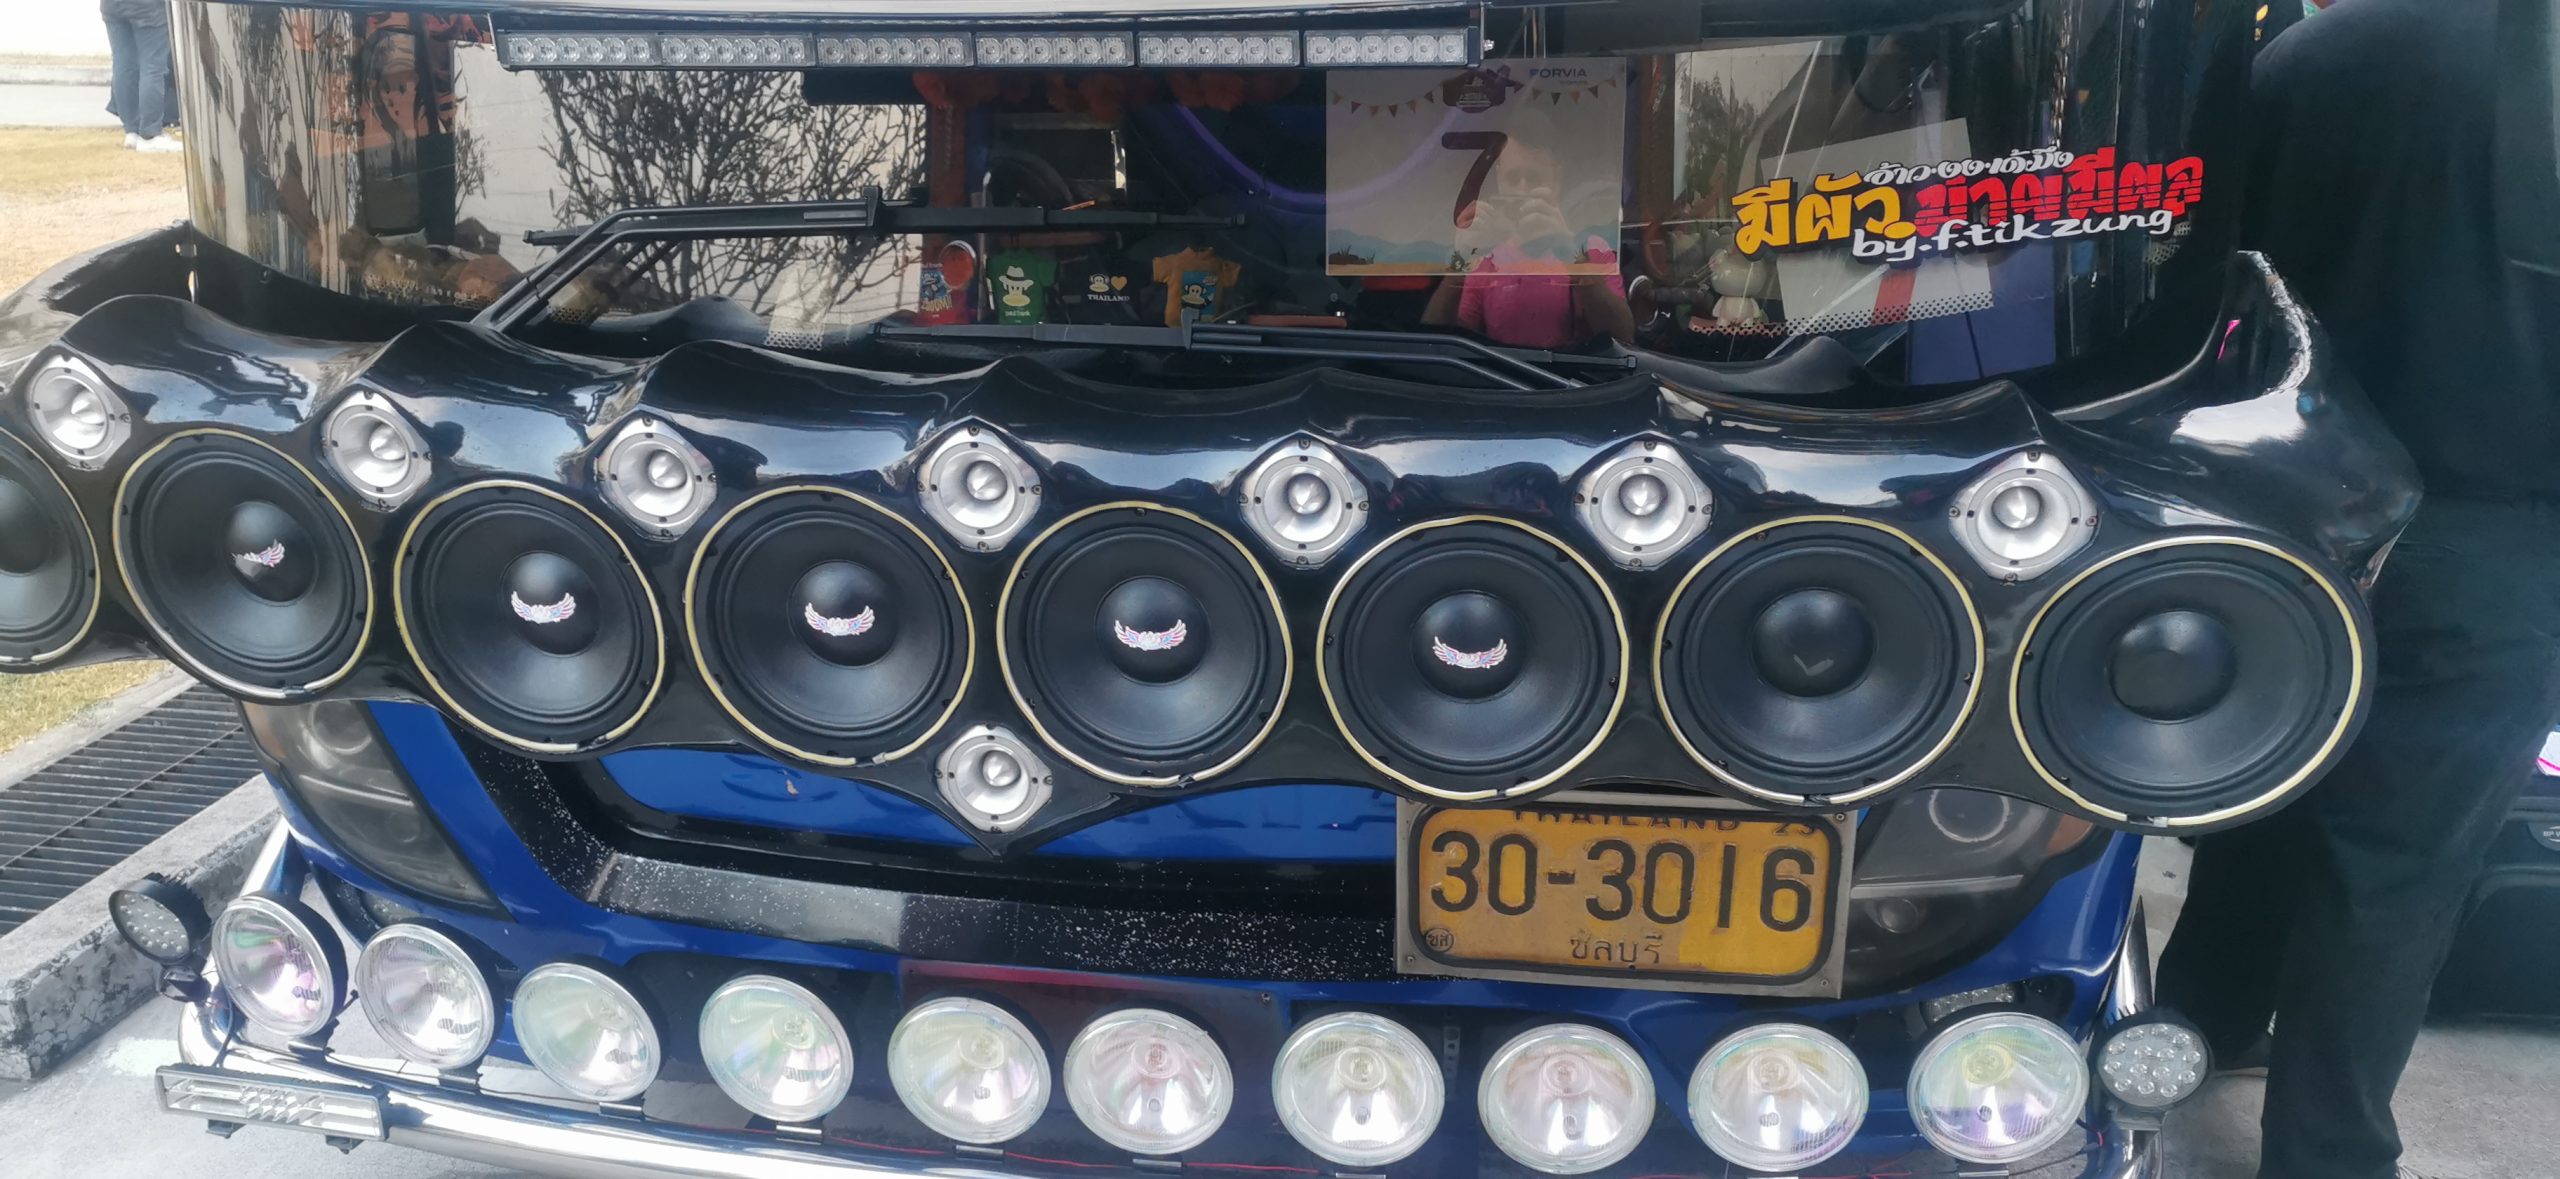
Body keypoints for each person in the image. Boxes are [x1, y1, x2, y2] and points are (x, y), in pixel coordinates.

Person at [2155, 2, 2560, 1177]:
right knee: (2399, 863)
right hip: (2493, 533)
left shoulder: (2315, 52)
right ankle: (2325, 1151)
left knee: (2261, 784)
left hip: (2283, 506)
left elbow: (2210, 274)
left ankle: (2187, 1030)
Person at [102, 0, 179, 153]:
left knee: (123, 64)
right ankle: (150, 135)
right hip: (147, 7)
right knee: (153, 66)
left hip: (112, 5)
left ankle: (132, 131)